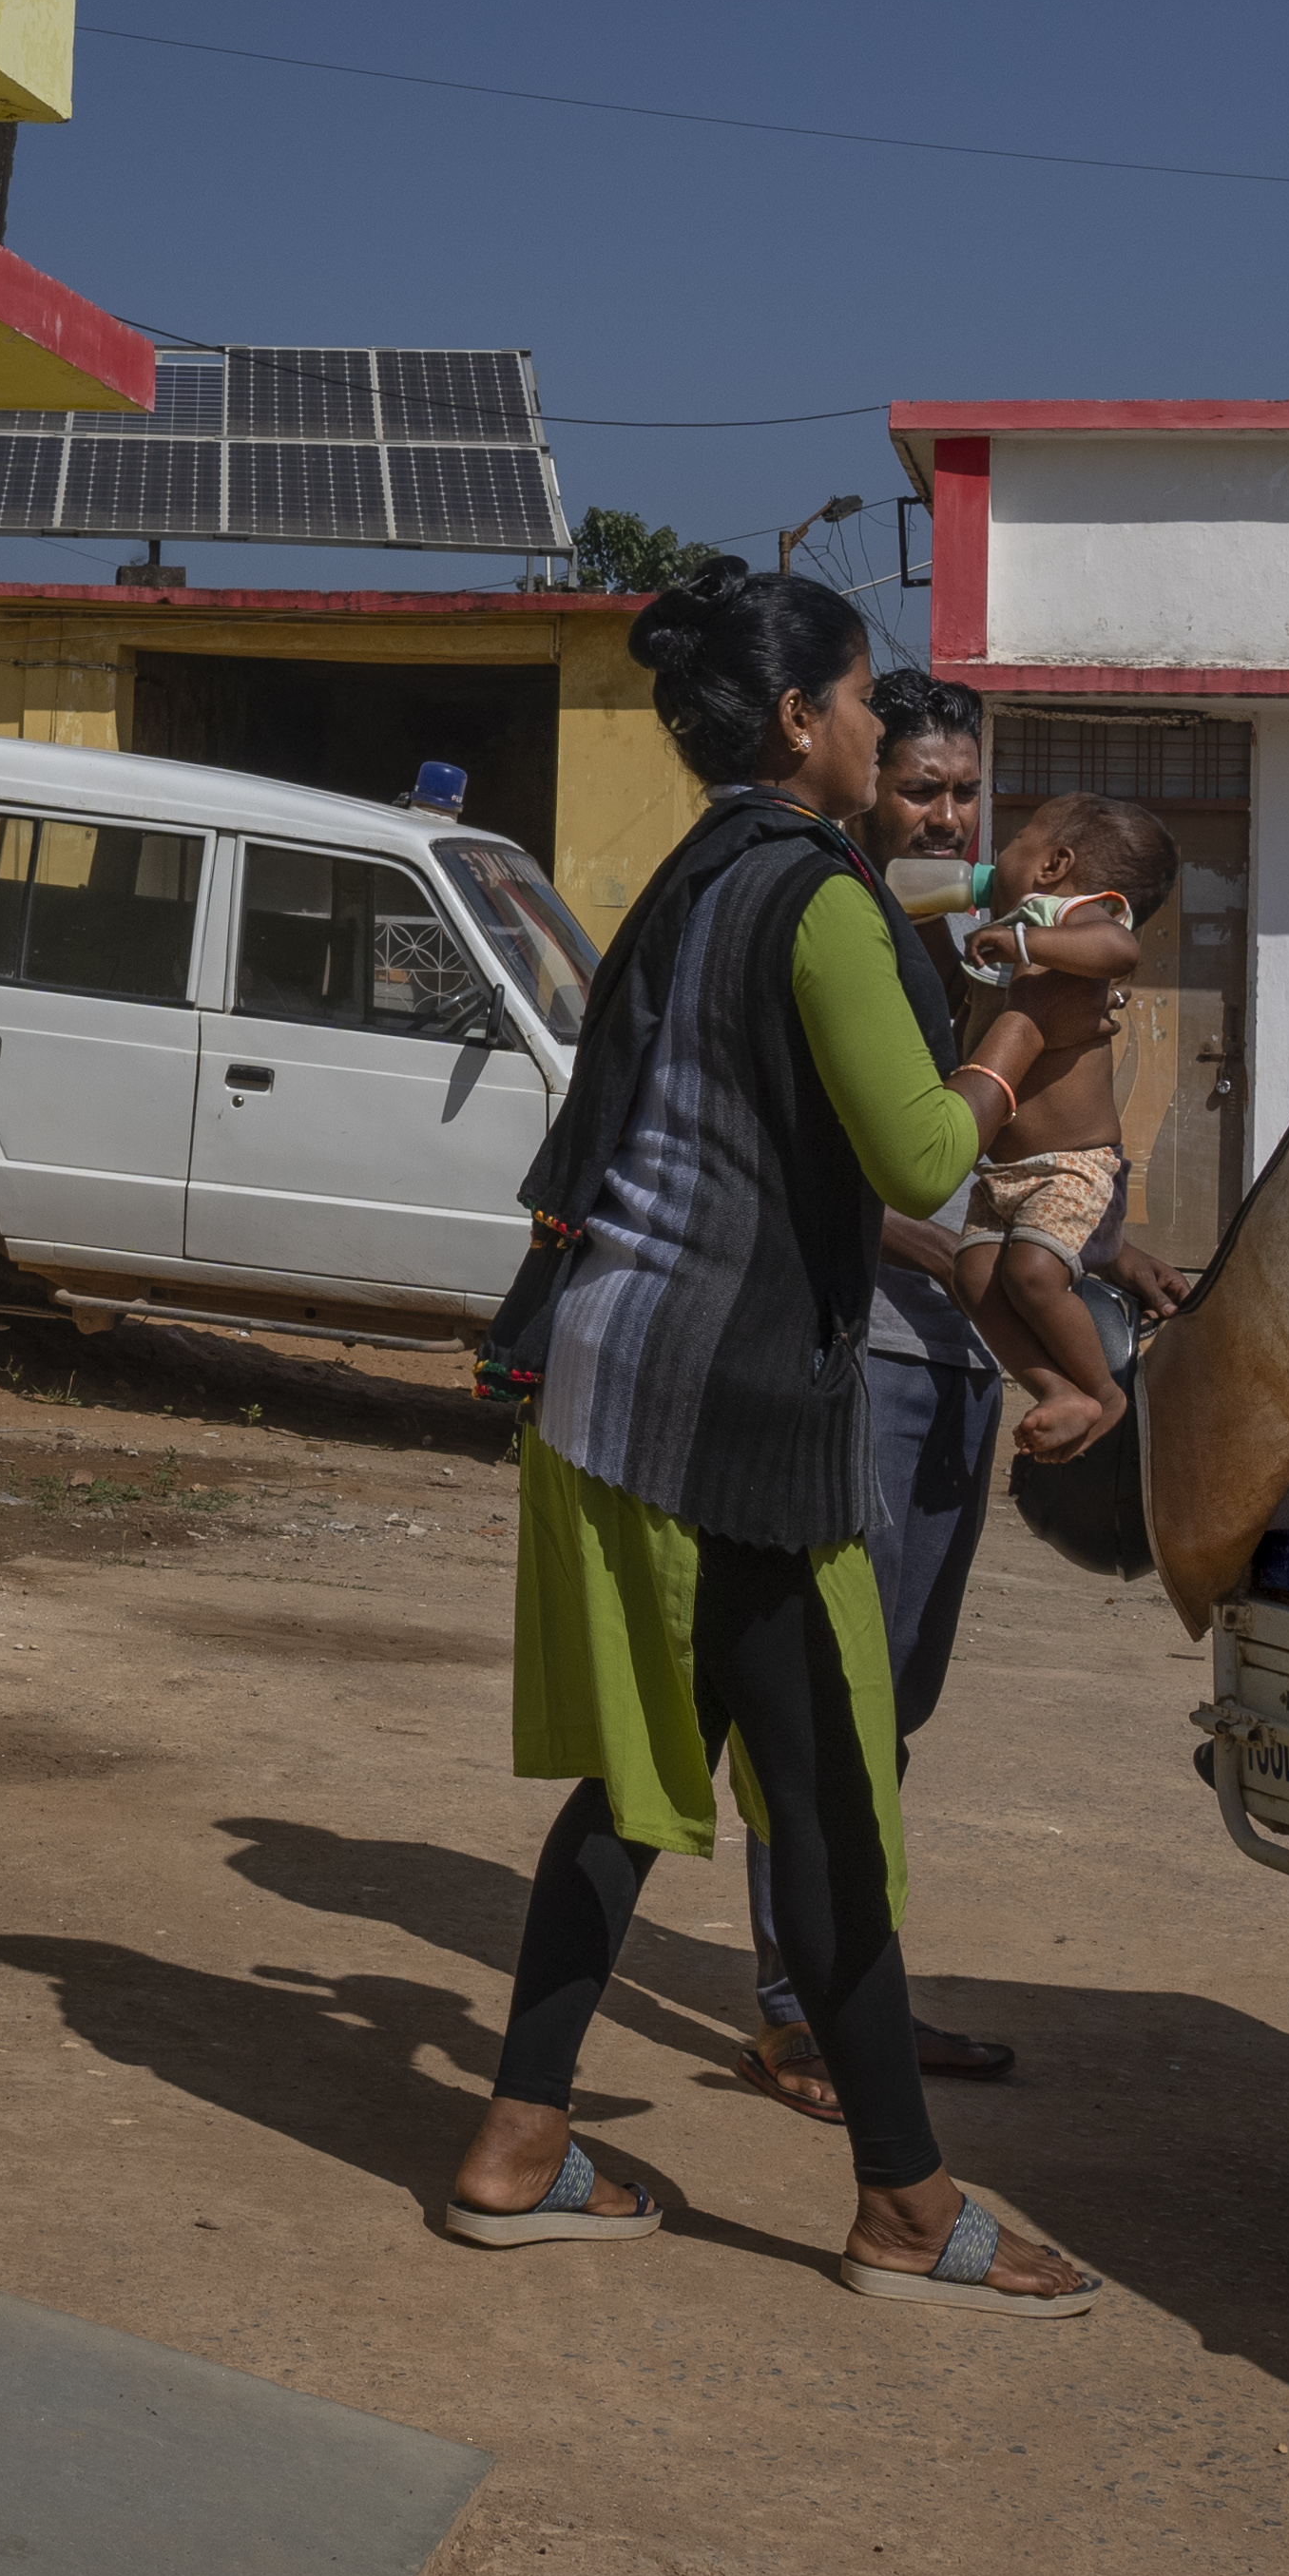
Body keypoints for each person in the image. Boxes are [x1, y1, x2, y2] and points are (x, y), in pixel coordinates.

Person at [452, 560, 1104, 2315]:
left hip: (607, 1374)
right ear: (804, 717)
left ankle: (516, 2140)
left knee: (635, 1781)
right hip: (730, 1400)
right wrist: (1023, 1032)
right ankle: (905, 2204)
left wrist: (991, 929)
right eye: (871, 697)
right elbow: (921, 1159)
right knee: (820, 1808)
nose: (889, 728)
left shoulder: (703, 867)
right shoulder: (811, 895)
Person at [727, 667, 1021, 2125]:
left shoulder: (958, 943)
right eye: (920, 789)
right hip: (871, 1357)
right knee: (828, 1702)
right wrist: (966, 1248)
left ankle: (856, 1985)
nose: (948, 816)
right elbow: (857, 1176)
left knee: (893, 1700)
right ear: (866, 785)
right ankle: (799, 2006)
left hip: (964, 1356)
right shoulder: (843, 912)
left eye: (966, 791)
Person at [941, 793, 1177, 1464]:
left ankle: (1103, 1393)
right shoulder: (1014, 931)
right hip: (1006, 1171)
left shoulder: (1065, 914)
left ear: (1054, 865)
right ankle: (1055, 1388)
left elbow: (1119, 947)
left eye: (1018, 837)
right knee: (974, 1277)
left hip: (1072, 1164)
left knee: (1032, 1274)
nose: (1001, 852)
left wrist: (1021, 940)